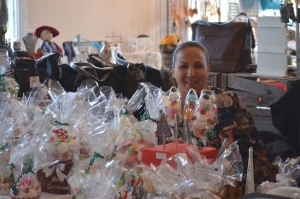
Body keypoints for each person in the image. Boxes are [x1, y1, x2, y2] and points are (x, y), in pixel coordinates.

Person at [171, 41, 277, 191]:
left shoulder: (229, 103)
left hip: (222, 190)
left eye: (198, 66)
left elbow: (255, 157)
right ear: (173, 71)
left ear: (208, 70)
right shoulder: (162, 107)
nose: (191, 73)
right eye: (183, 66)